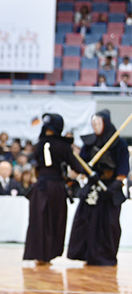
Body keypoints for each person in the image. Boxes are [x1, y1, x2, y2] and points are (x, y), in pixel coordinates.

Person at [67, 110, 129, 266]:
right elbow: (83, 164)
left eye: (98, 123)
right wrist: (88, 173)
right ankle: (87, 254)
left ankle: (106, 256)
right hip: (93, 184)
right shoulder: (90, 142)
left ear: (105, 124)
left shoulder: (119, 143)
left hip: (110, 188)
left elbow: (123, 167)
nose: (95, 126)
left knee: (109, 224)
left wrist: (116, 184)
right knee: (86, 220)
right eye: (93, 123)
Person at [22, 114, 83, 265]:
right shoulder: (63, 146)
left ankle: (38, 254)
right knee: (54, 220)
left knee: (39, 220)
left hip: (40, 188)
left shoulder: (40, 144)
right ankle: (48, 253)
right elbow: (77, 167)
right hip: (55, 188)